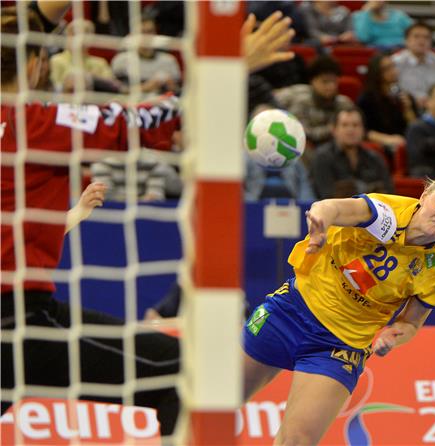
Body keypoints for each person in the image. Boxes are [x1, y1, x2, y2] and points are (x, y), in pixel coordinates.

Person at [1, 2, 296, 436]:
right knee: (183, 376)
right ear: (35, 62)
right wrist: (229, 68)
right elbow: (140, 121)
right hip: (18, 319)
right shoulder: (34, 123)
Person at [242, 138, 435, 445]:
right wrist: (320, 223)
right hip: (291, 310)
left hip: (338, 346)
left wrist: (396, 335)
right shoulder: (387, 213)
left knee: (297, 440)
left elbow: (412, 322)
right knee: (218, 400)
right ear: (424, 195)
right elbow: (330, 207)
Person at [311, 107, 394, 199]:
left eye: (355, 125)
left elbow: (389, 195)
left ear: (363, 130)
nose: (350, 130)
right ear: (334, 130)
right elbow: (327, 196)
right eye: (344, 125)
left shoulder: (375, 158)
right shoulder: (322, 157)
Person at [275, 55, 354, 148]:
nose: (331, 86)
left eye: (334, 82)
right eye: (325, 82)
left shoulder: (344, 104)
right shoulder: (301, 101)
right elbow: (302, 133)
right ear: (313, 81)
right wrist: (332, 130)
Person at [357, 51, 417, 152]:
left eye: (393, 66)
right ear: (376, 73)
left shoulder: (404, 96)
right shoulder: (366, 100)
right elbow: (363, 130)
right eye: (387, 69)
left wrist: (408, 109)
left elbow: (415, 129)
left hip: (405, 144)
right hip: (381, 146)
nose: (393, 71)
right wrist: (387, 139)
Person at [110, 14, 182, 95]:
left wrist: (172, 87)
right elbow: (117, 91)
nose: (146, 36)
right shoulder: (121, 60)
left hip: (163, 103)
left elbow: (180, 92)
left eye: (150, 31)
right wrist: (146, 87)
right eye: (142, 32)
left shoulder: (169, 61)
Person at [392, 22, 435, 109]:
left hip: (434, 108)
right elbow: (393, 89)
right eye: (416, 36)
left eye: (426, 37)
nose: (421, 41)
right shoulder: (395, 62)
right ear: (406, 40)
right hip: (404, 108)